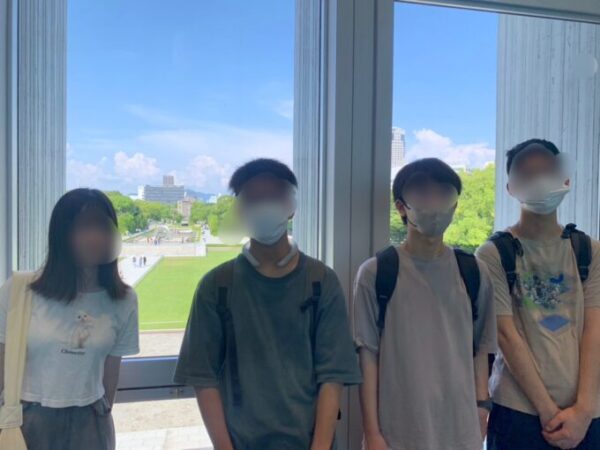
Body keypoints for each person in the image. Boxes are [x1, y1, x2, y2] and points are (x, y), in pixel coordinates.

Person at [174, 158, 361, 450]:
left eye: (273, 196)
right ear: (240, 210)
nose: (263, 206)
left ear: (291, 206)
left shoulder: (321, 281)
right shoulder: (216, 286)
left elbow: (332, 375)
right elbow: (203, 377)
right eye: (253, 198)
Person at [353, 158, 497, 450]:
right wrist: (372, 432)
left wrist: (482, 407)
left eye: (443, 192)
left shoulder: (473, 271)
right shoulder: (376, 272)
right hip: (397, 431)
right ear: (401, 207)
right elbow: (367, 357)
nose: (433, 202)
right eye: (421, 192)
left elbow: (481, 347)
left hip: (460, 429)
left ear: (454, 206)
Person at [477, 139, 600, 450]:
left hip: (587, 413)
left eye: (547, 171)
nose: (538, 180)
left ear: (565, 180)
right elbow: (506, 335)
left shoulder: (589, 250)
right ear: (511, 188)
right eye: (527, 174)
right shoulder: (494, 253)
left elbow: (594, 330)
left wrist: (585, 409)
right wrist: (547, 412)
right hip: (518, 411)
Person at [0, 188, 139, 450]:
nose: (94, 236)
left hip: (91, 419)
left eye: (102, 226)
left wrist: (102, 413)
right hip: (27, 417)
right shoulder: (19, 290)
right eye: (83, 226)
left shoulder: (124, 299)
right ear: (61, 235)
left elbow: (111, 373)